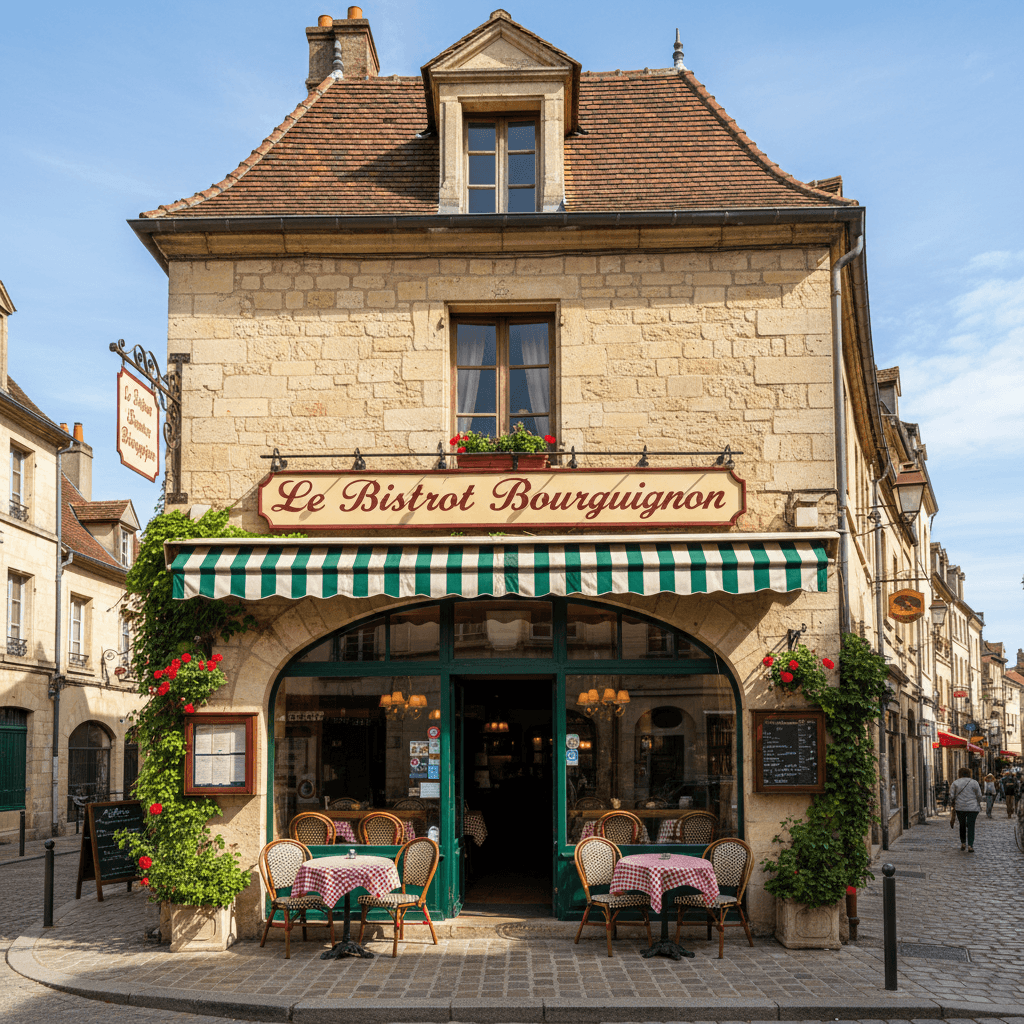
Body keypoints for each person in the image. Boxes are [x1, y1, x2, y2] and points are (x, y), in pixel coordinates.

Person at [949, 765, 983, 852]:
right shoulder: (974, 782)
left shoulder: (955, 783)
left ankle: (963, 843)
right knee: (971, 826)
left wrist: (953, 802)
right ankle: (970, 845)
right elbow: (979, 795)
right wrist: (978, 803)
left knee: (962, 825)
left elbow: (951, 796)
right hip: (973, 808)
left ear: (959, 774)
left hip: (960, 807)